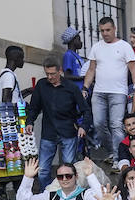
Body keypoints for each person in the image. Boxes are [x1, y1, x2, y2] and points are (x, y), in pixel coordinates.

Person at [25, 56, 92, 185]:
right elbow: (34, 107)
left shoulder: (71, 88)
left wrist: (83, 126)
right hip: (48, 133)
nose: (49, 77)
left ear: (60, 71)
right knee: (43, 170)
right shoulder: (41, 85)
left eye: (52, 74)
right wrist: (29, 122)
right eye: (47, 74)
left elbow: (86, 110)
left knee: (68, 170)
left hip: (68, 132)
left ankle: (65, 196)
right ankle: (48, 195)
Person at [83, 16, 135, 163]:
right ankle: (113, 151)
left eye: (108, 30)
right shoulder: (96, 47)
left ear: (114, 29)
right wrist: (85, 87)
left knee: (116, 125)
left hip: (119, 92)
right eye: (102, 31)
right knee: (98, 124)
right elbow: (91, 69)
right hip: (99, 91)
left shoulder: (125, 46)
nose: (105, 33)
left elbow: (133, 69)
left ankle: (119, 159)